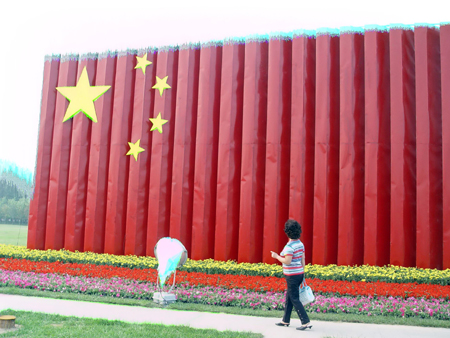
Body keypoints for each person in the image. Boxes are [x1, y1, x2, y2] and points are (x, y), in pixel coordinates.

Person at [270, 219, 312, 331]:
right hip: (299, 273)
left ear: (287, 232)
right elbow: (303, 258)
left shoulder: (289, 246)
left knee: (294, 298)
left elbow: (287, 261)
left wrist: (276, 256)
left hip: (292, 275)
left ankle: (305, 321)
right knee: (289, 297)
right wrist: (302, 272)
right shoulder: (300, 244)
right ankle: (285, 320)